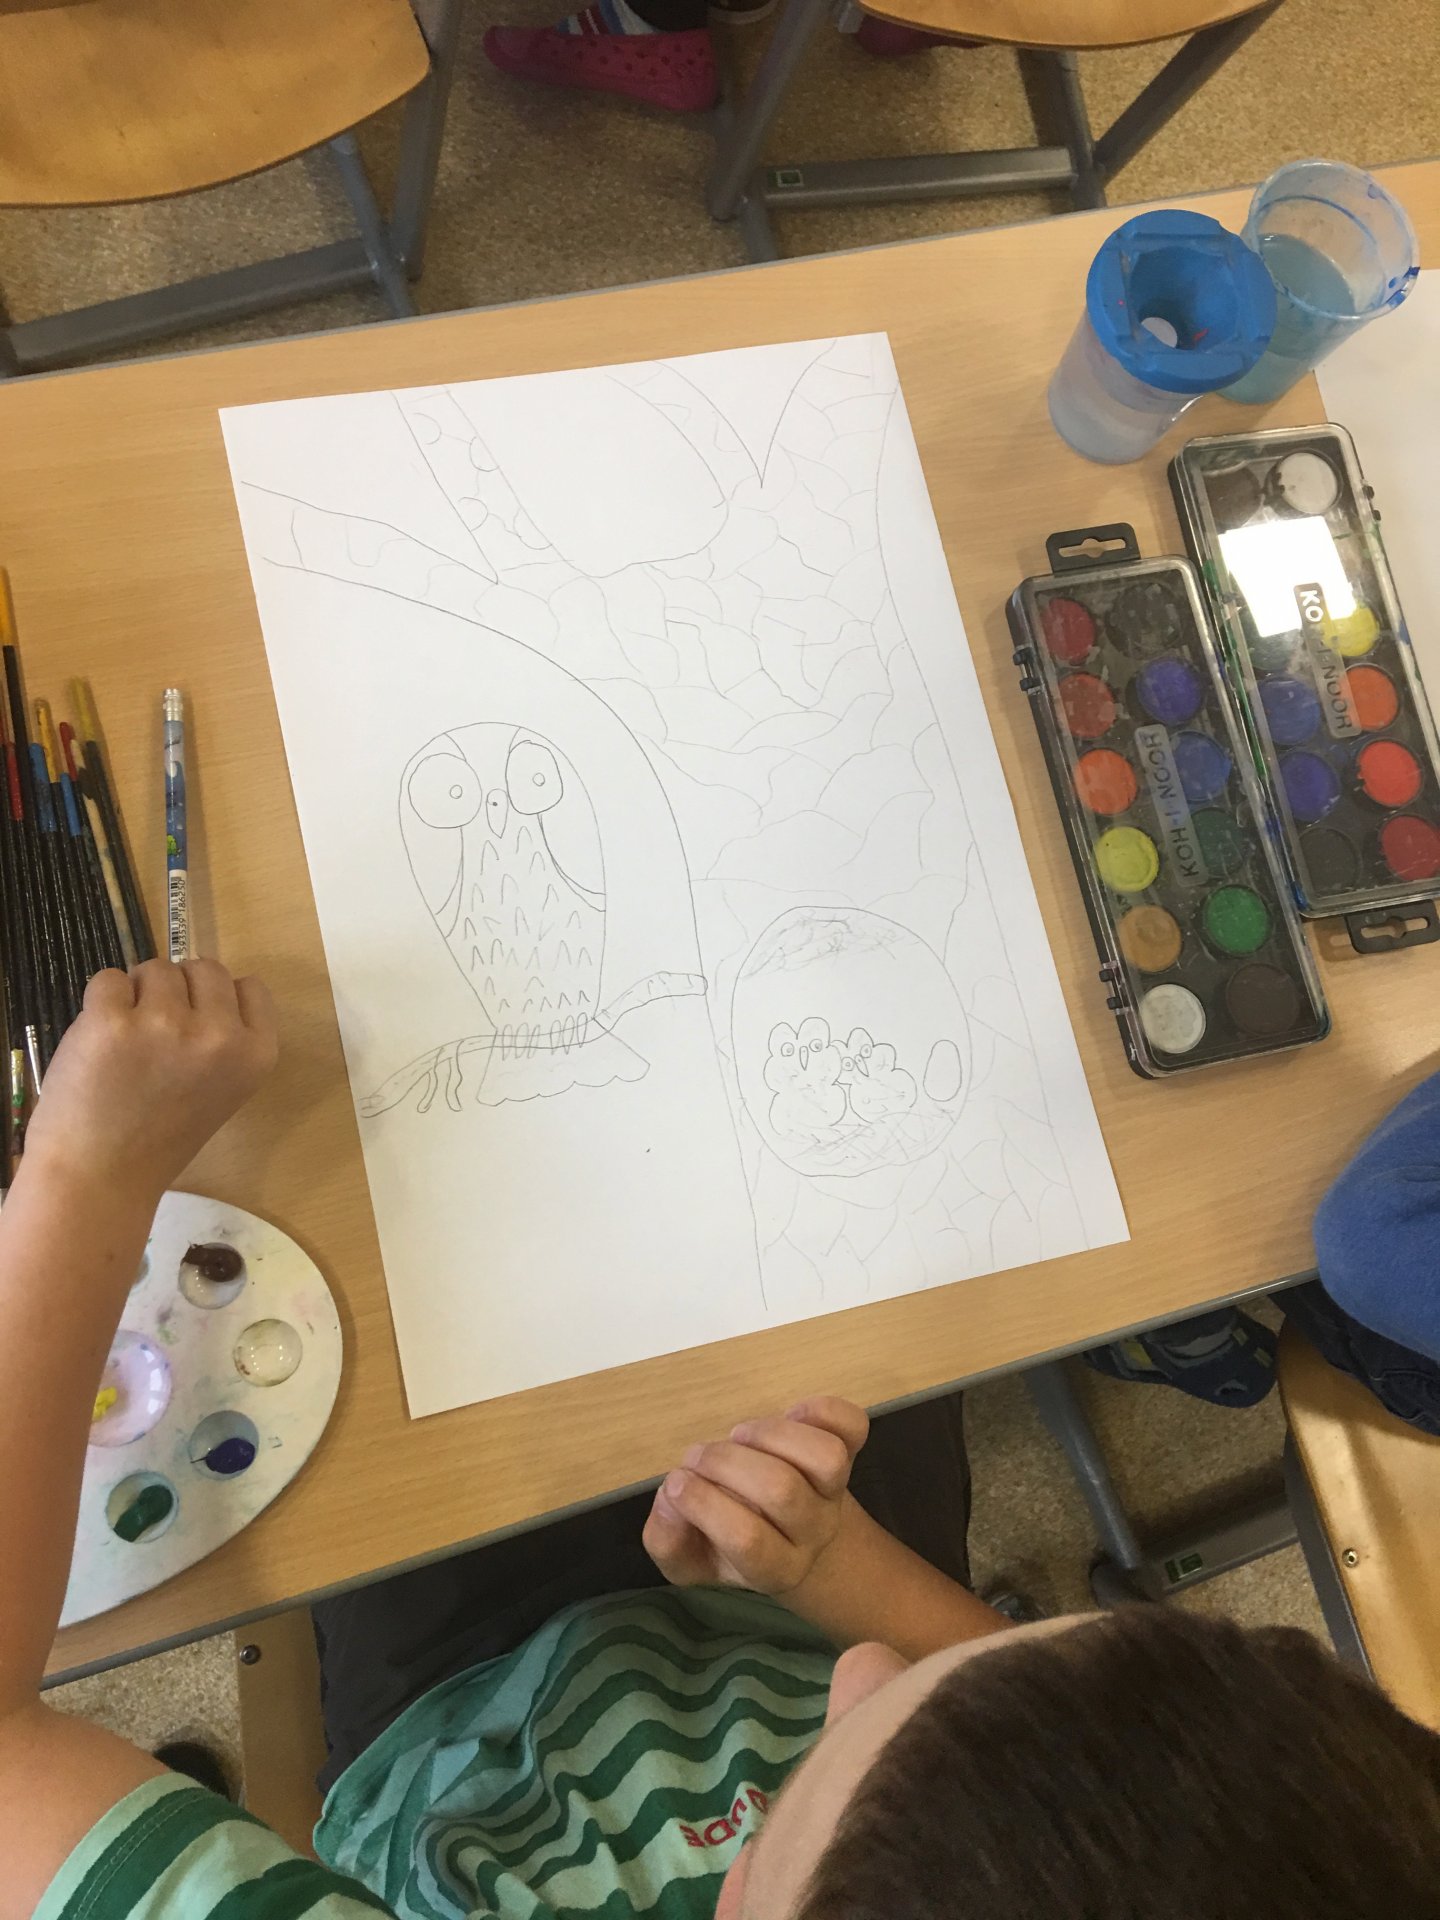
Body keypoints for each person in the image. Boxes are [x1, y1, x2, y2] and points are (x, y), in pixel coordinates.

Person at [8, 958, 1440, 1920]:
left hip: (465, 1730)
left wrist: (84, 1168)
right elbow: (1005, 1704)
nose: (872, 1664)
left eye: (850, 1733)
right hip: (791, 1563)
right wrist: (846, 1578)